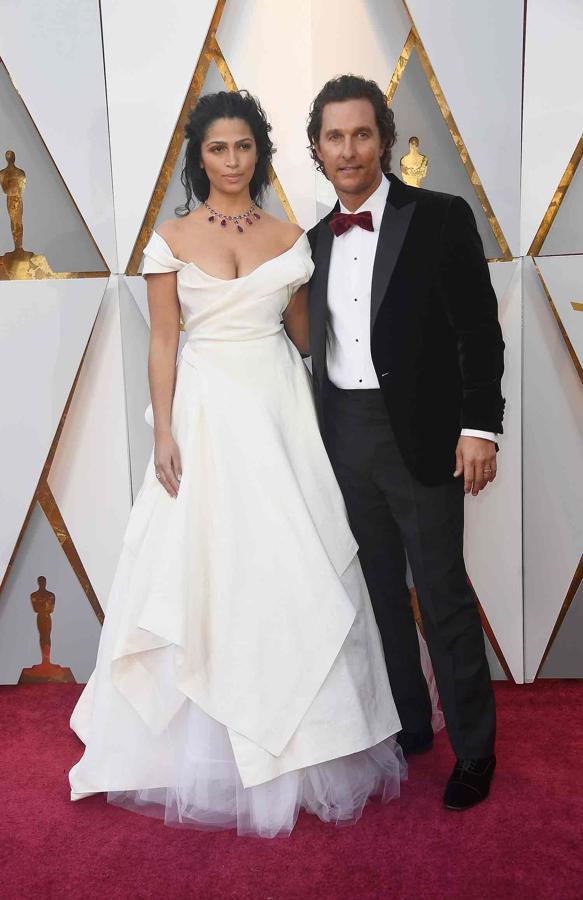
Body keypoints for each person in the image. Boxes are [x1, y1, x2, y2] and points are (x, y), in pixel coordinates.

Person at [68, 90, 406, 839]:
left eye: (243, 147)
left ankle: (306, 737)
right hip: (203, 415)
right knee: (205, 567)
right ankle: (199, 742)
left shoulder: (291, 237)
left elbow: (306, 337)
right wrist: (161, 432)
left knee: (290, 564)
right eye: (217, 149)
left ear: (262, 153)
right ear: (199, 157)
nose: (231, 161)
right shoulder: (170, 239)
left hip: (277, 413)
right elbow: (163, 339)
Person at [306, 75, 505, 811]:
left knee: (441, 593)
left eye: (361, 133)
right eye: (334, 137)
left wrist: (479, 426)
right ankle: (409, 725)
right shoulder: (310, 243)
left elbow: (476, 333)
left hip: (420, 437)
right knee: (380, 593)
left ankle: (476, 750)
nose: (348, 149)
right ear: (316, 150)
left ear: (383, 140)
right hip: (342, 440)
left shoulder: (441, 217)